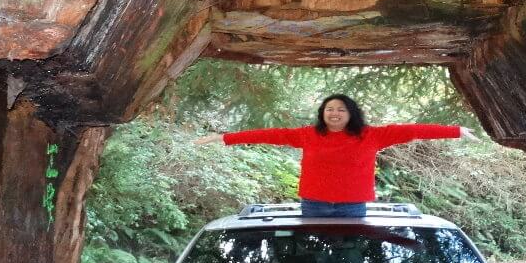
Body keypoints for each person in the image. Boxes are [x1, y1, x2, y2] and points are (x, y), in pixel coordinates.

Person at [192, 94, 473, 217]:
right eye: (329, 109)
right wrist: (225, 137)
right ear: (322, 113)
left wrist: (456, 131)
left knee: (350, 256)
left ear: (350, 113)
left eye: (340, 109)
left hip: (353, 208)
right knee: (314, 253)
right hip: (314, 206)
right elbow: (268, 134)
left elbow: (413, 130)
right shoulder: (307, 134)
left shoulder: (372, 135)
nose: (334, 113)